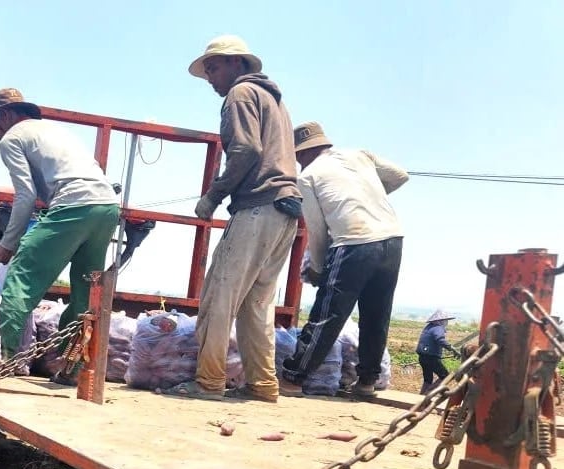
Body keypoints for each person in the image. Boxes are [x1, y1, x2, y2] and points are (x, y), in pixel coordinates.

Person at [166, 36, 301, 402]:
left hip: (257, 207)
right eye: (207, 69)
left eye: (214, 67)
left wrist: (213, 195)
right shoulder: (274, 100)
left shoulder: (240, 95)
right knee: (256, 305)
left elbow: (245, 150)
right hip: (284, 212)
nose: (210, 76)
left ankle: (209, 382)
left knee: (220, 296)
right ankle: (262, 385)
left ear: (238, 64)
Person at [0, 88, 120, 382]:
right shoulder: (54, 131)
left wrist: (8, 243)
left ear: (5, 114)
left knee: (22, 277)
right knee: (84, 292)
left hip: (73, 206)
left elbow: (25, 196)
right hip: (107, 208)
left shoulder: (13, 138)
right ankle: (72, 369)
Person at [278, 122, 409, 399]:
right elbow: (400, 176)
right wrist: (365, 194)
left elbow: (317, 230)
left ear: (301, 154)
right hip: (393, 240)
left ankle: (293, 378)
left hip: (353, 243)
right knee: (376, 314)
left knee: (327, 314)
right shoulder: (360, 155)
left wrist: (316, 268)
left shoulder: (309, 176)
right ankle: (367, 382)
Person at [417, 310, 458, 394]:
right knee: (445, 376)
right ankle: (428, 393)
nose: (446, 322)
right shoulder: (438, 328)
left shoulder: (428, 327)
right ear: (440, 321)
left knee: (428, 379)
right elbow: (440, 339)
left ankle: (421, 396)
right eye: (445, 320)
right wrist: (452, 348)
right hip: (431, 358)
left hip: (422, 357)